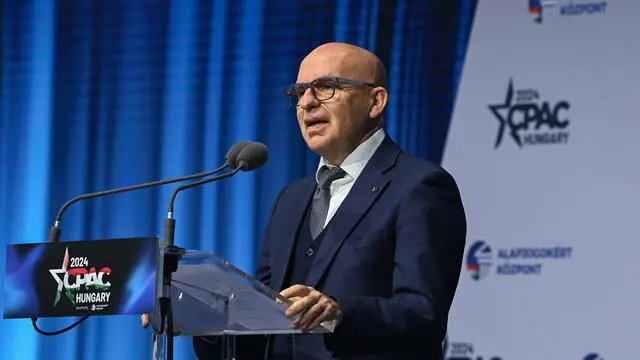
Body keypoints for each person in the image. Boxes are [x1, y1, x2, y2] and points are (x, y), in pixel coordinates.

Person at [146, 42, 467, 359]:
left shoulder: (420, 186)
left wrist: (341, 312)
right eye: (300, 93)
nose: (307, 103)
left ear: (375, 101)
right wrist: (203, 319)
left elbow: (425, 315)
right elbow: (264, 328)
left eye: (326, 87)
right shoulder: (291, 198)